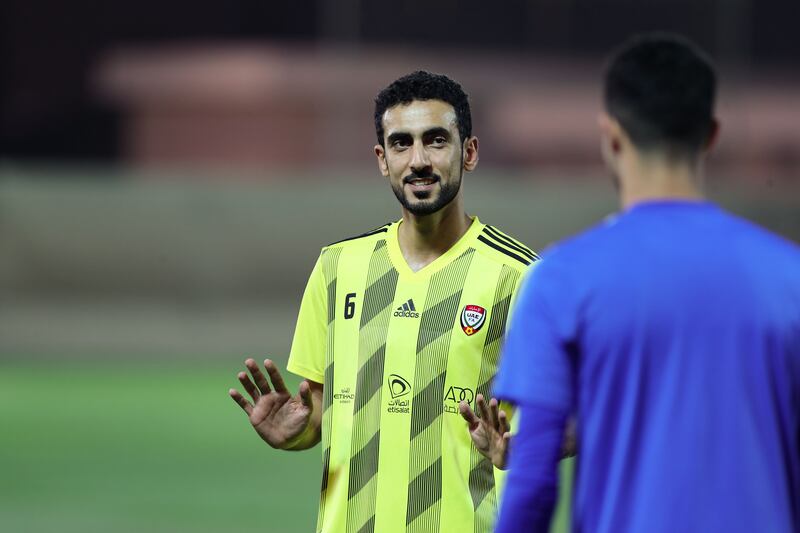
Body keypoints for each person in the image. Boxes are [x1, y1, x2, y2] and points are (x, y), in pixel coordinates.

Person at [494, 33, 800, 533]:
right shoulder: (791, 278)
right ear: (711, 135)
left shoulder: (561, 280)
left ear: (611, 136)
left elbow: (532, 483)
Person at [229, 71, 539, 533]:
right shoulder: (338, 268)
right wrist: (294, 433)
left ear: (468, 152)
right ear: (382, 159)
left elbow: (561, 423)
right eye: (401, 143)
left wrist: (522, 447)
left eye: (436, 141)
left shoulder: (521, 278)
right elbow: (318, 414)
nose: (418, 160)